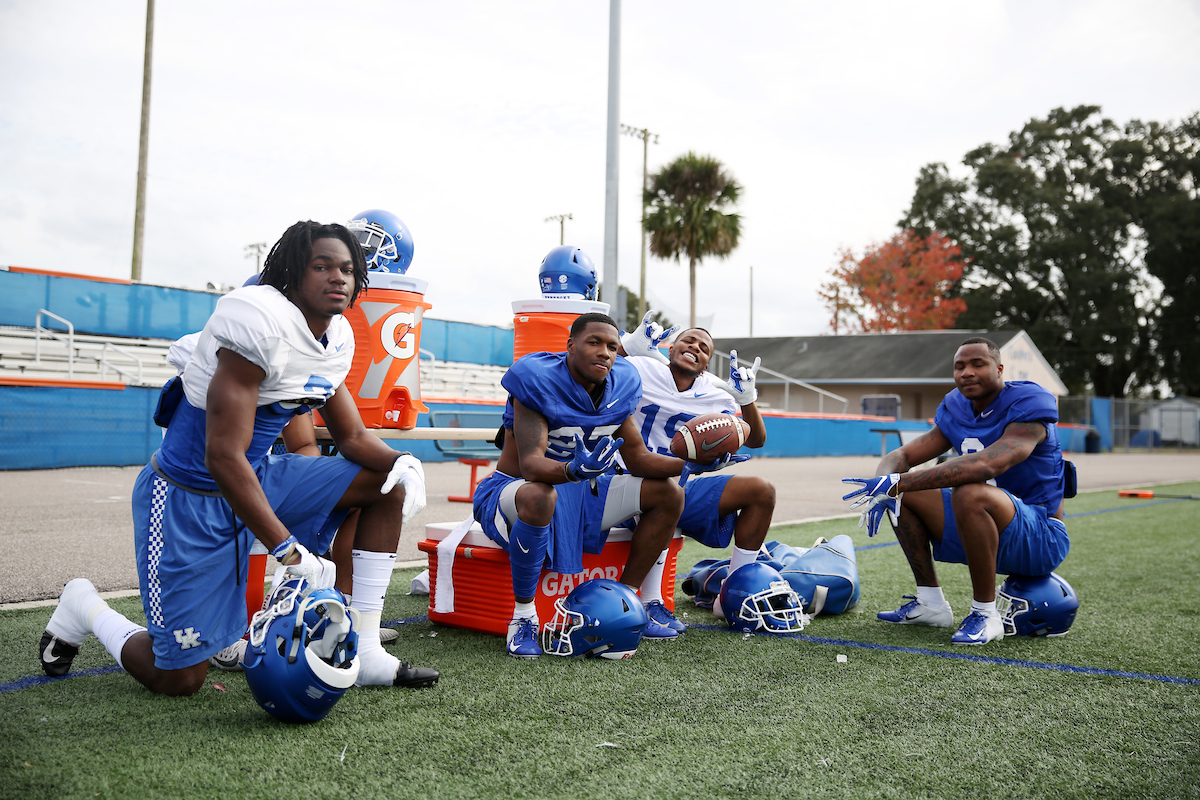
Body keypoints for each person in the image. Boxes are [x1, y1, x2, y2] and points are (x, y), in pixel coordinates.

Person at [38, 220, 438, 695]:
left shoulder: (335, 338)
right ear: (292, 272)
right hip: (191, 495)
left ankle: (367, 649)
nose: (339, 277)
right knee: (181, 679)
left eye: (348, 269)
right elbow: (223, 457)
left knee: (385, 482)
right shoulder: (258, 325)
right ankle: (84, 605)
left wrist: (402, 461)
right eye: (323, 266)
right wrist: (287, 550)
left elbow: (351, 436)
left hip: (258, 475)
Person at [473, 311, 741, 659]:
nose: (605, 352)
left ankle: (625, 600)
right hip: (517, 490)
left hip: (583, 490)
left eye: (613, 347)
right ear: (570, 345)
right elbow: (532, 465)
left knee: (667, 493)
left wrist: (692, 463)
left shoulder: (621, 384)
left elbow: (640, 460)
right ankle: (523, 618)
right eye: (594, 342)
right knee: (541, 495)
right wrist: (573, 468)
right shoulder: (537, 378)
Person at [841, 337, 1071, 645]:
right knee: (903, 496)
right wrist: (885, 484)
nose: (966, 372)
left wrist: (898, 481)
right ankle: (931, 604)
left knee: (969, 491)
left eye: (978, 364)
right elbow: (901, 457)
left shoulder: (1028, 402)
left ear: (1000, 368)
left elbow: (989, 465)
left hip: (1040, 536)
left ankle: (985, 614)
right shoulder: (956, 407)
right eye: (959, 366)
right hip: (980, 527)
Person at [618, 313, 775, 620]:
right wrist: (627, 346)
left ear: (706, 365)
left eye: (704, 348)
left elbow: (756, 440)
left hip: (683, 482)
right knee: (665, 493)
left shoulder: (716, 394)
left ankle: (733, 595)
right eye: (689, 340)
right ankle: (651, 602)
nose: (696, 347)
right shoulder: (641, 367)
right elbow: (593, 372)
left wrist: (746, 400)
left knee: (761, 490)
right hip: (629, 479)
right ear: (671, 347)